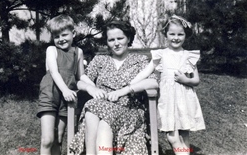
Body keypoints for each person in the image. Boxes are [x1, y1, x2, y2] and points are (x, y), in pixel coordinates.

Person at [69, 20, 158, 155]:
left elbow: (153, 83)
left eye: (120, 38)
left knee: (101, 119)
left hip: (128, 110)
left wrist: (125, 90)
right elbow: (80, 81)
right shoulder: (100, 60)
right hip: (100, 106)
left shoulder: (140, 60)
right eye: (111, 40)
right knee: (93, 108)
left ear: (128, 38)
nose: (116, 43)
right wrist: (91, 88)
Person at [131, 15, 206, 155]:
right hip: (168, 100)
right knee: (171, 136)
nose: (176, 38)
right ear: (166, 34)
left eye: (180, 34)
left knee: (184, 134)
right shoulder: (161, 54)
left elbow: (196, 80)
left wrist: (186, 80)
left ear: (185, 35)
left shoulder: (188, 56)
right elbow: (146, 71)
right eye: (172, 34)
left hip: (185, 100)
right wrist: (131, 83)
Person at [37, 14, 93, 155]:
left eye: (64, 35)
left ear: (73, 33)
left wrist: (95, 87)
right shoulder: (51, 50)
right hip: (50, 94)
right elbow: (54, 72)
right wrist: (65, 90)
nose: (61, 39)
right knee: (47, 140)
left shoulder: (78, 52)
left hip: (66, 98)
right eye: (56, 36)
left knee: (59, 139)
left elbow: (81, 75)